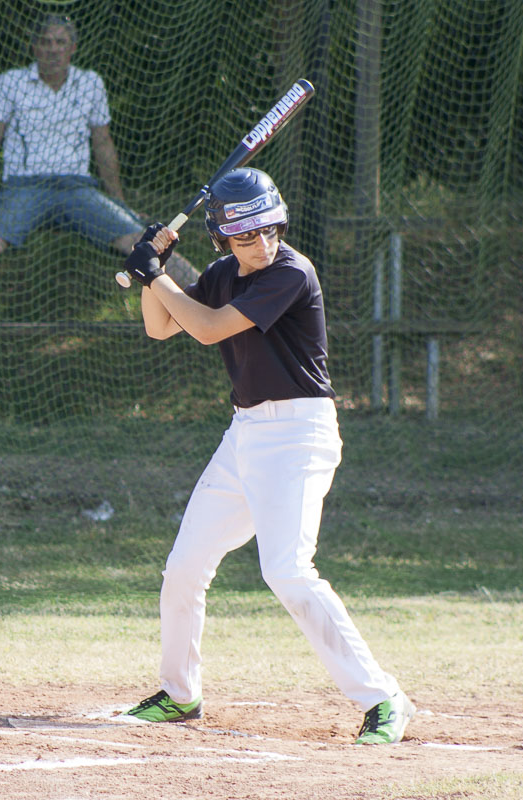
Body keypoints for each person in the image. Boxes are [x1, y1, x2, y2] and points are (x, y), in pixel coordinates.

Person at [116, 167, 414, 745]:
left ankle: (384, 699)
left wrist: (159, 274)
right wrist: (149, 272)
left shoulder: (291, 273)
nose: (261, 244)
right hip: (246, 433)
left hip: (299, 436)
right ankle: (180, 694)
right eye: (246, 235)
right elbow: (162, 327)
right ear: (223, 237)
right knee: (183, 568)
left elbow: (206, 330)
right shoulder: (226, 272)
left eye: (269, 230)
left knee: (286, 571)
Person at [0, 14, 199, 320]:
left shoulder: (90, 83)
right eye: (45, 42)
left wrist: (120, 202)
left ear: (72, 48)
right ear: (33, 47)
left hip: (77, 189)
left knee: (140, 240)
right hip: (25, 186)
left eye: (60, 42)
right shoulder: (11, 82)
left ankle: (210, 289)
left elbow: (103, 145)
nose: (53, 49)